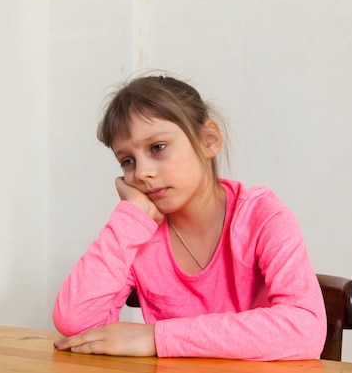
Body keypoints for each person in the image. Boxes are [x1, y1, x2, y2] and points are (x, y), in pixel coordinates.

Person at [52, 74, 326, 360]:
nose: (142, 172)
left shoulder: (262, 217)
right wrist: (131, 218)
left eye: (157, 147)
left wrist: (157, 338)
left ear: (209, 141)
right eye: (127, 161)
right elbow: (74, 320)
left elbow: (306, 329)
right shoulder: (140, 233)